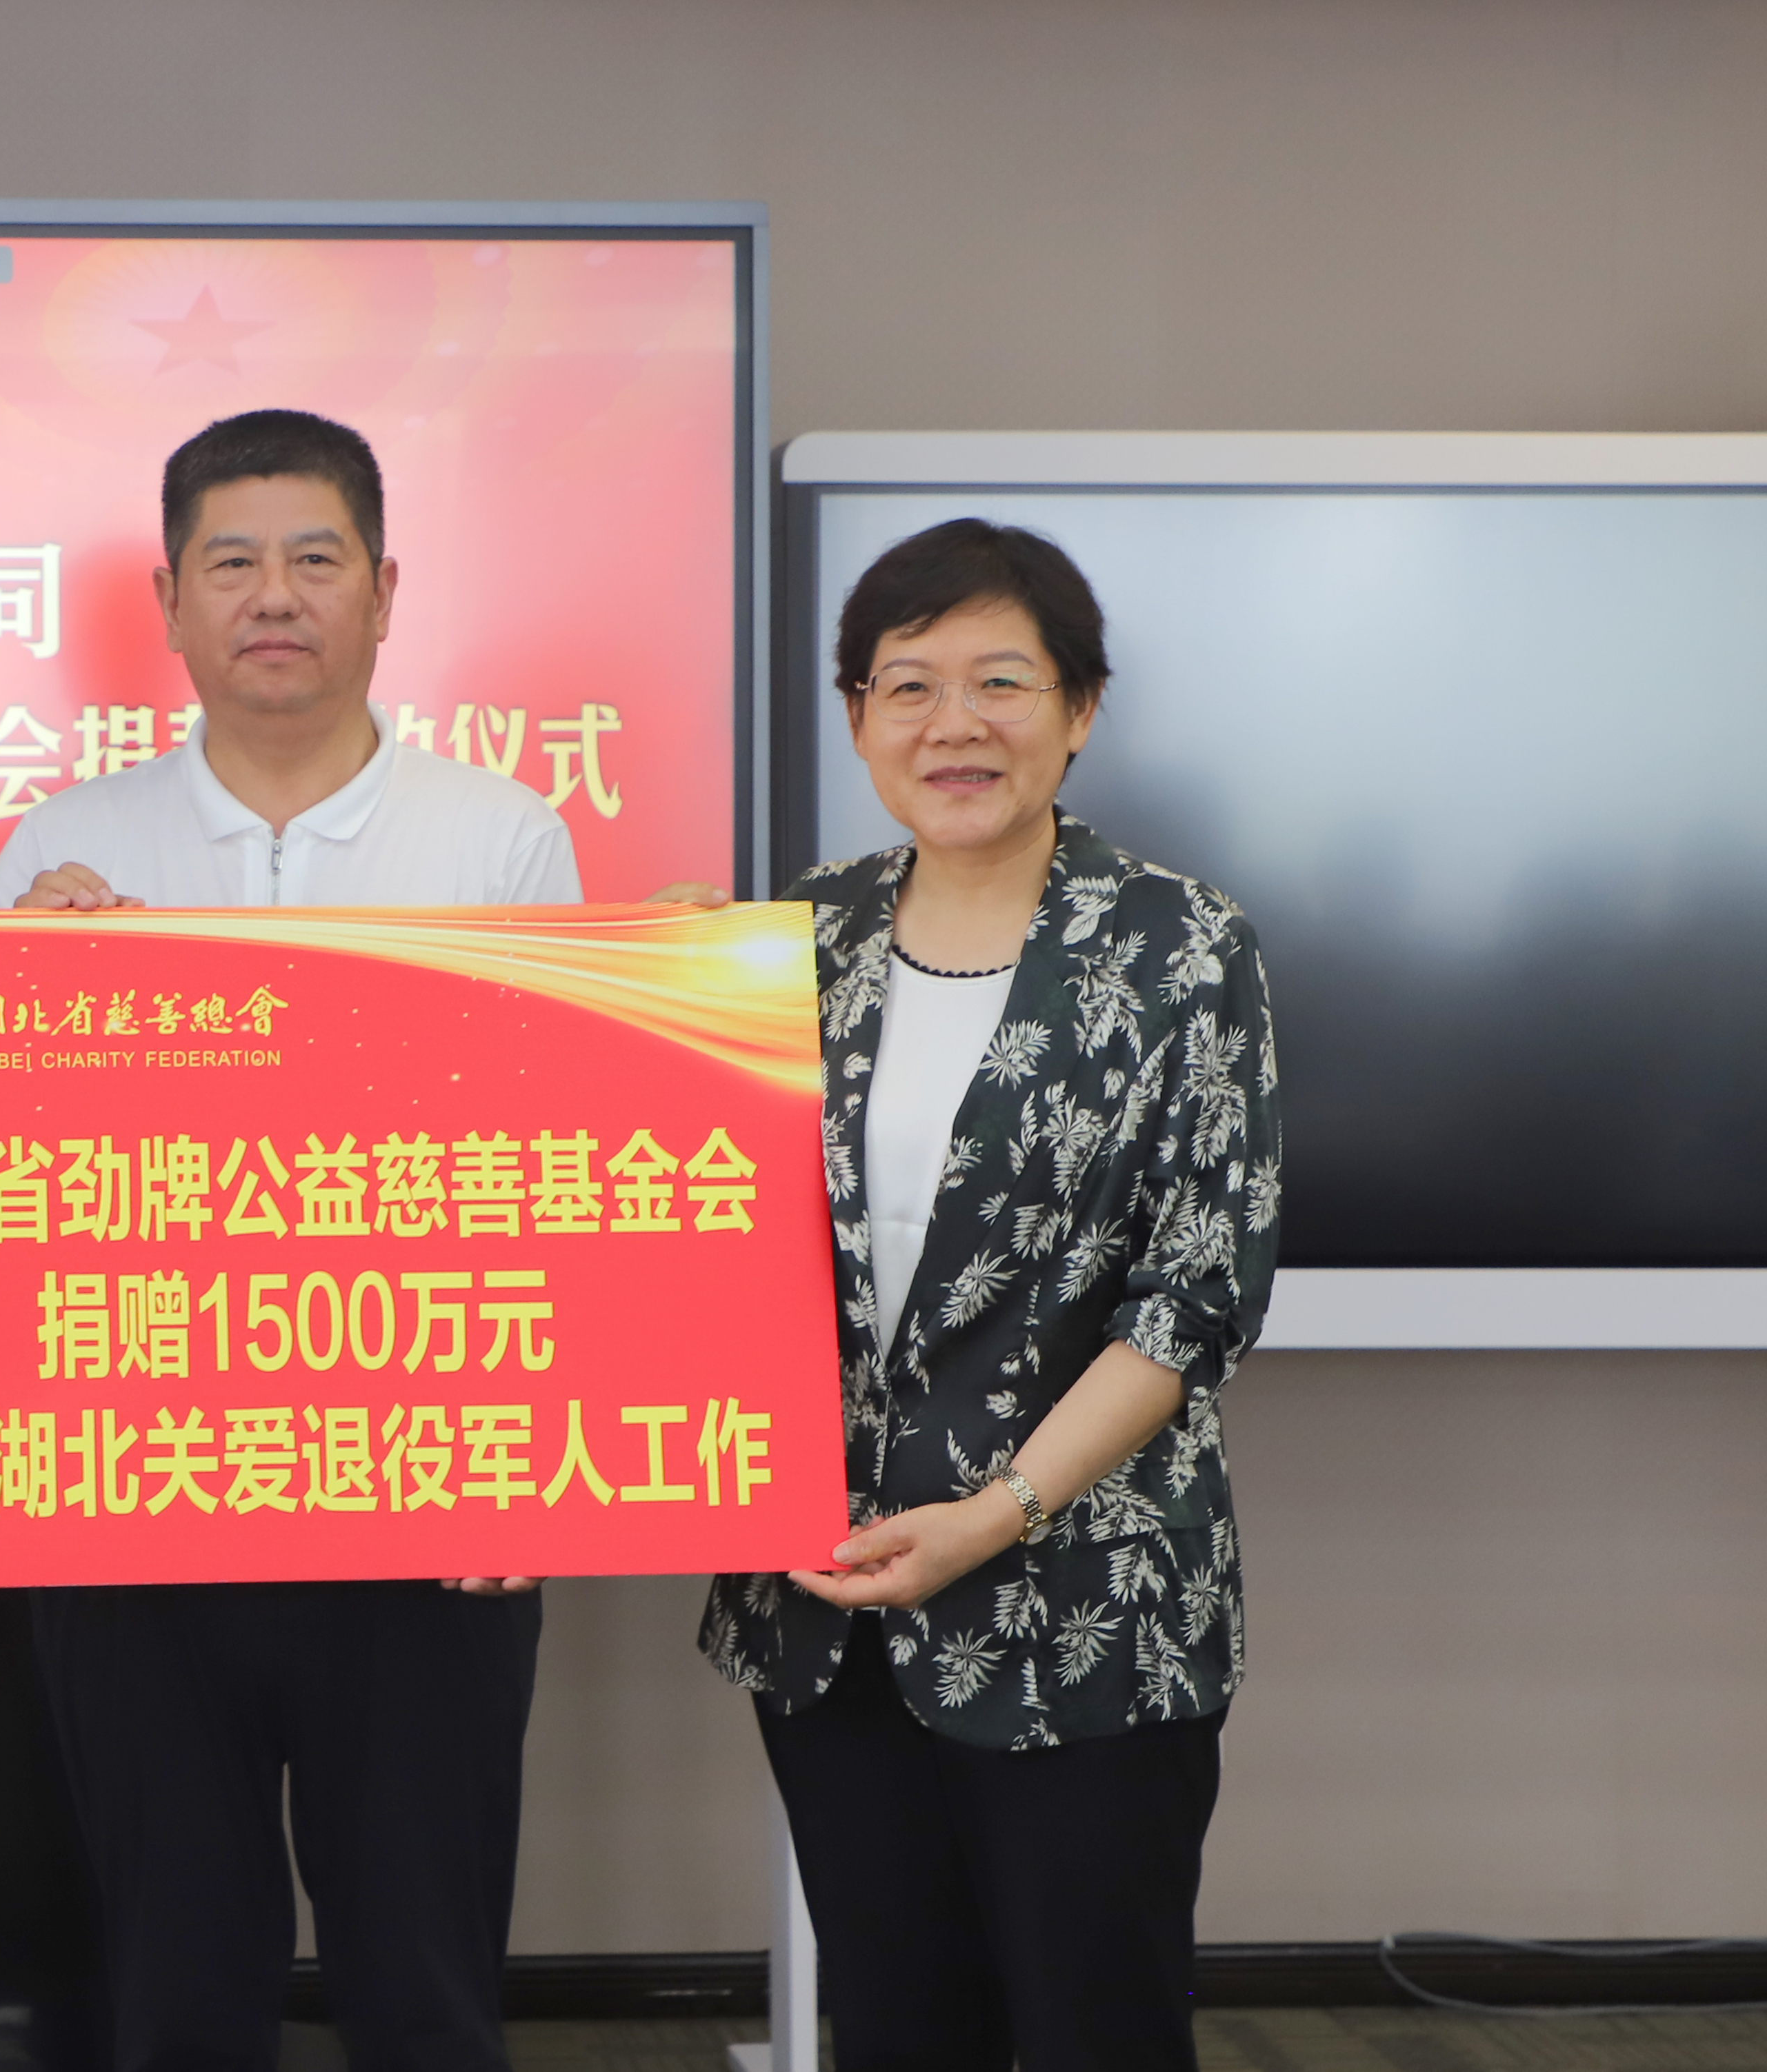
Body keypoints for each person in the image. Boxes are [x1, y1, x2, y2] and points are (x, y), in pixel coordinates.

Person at [0, 409, 578, 2072]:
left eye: (316, 559)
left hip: (430, 1506)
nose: (274, 596)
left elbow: (559, 1179)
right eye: (231, 562)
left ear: (384, 593)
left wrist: (534, 1467)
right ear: (168, 603)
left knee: (426, 1990)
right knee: (176, 1992)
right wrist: (20, 1000)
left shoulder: (502, 839)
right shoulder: (64, 852)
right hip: (135, 1508)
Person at [665, 519, 1279, 2071]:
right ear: (857, 716)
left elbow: (1194, 1297)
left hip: (1083, 1606)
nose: (956, 722)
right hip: (829, 1606)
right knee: (896, 2029)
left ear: (1080, 709)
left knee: (1096, 2031)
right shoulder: (792, 939)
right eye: (909, 684)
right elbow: (677, 1230)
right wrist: (651, 993)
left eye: (1003, 680)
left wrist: (993, 1514)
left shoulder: (1178, 944)